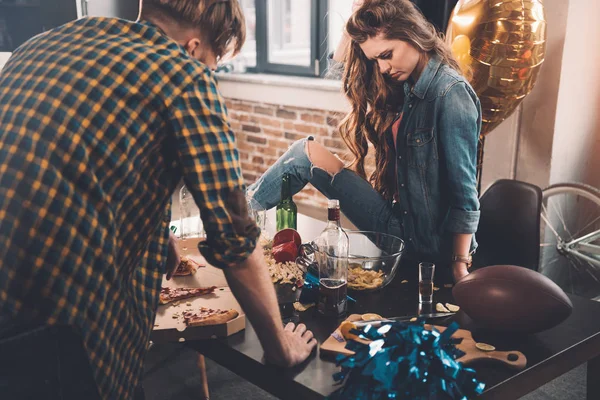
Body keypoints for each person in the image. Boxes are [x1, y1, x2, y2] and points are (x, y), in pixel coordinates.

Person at [0, 1, 315, 399]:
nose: (209, 74)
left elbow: (70, 161)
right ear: (194, 47)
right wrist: (280, 349)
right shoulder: (183, 76)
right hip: (53, 325)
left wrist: (151, 229)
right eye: (213, 63)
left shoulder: (40, 46)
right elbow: (235, 241)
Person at [247, 0, 481, 283]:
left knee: (301, 154)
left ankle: (235, 218)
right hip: (401, 226)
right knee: (303, 153)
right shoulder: (407, 85)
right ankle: (239, 214)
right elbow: (339, 68)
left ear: (412, 34)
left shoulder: (450, 93)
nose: (382, 67)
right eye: (375, 60)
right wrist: (356, 17)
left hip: (427, 247)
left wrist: (458, 267)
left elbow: (465, 194)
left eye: (386, 54)